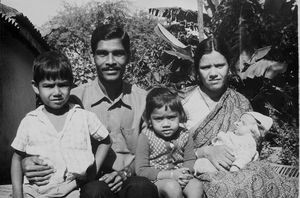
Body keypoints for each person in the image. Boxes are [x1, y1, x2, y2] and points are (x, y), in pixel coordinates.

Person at [21, 24, 159, 198]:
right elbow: (44, 136)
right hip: (90, 181)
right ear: (92, 56)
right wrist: (27, 161)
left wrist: (126, 172)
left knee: (142, 188)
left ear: (128, 57)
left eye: (118, 53)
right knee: (94, 191)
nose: (110, 61)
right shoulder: (72, 99)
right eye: (102, 53)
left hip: (130, 178)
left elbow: (153, 149)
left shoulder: (144, 100)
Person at [182, 36, 298, 197]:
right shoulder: (184, 103)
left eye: (220, 65)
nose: (213, 73)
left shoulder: (240, 103)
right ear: (197, 70)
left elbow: (251, 149)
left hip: (240, 171)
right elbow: (168, 151)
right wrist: (204, 152)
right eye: (206, 67)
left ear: (229, 67)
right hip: (197, 176)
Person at [10, 51, 111, 198]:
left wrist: (92, 172)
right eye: (49, 86)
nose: (57, 92)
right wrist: (17, 193)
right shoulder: (30, 121)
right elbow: (17, 158)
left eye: (62, 85)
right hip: (34, 191)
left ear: (71, 84)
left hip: (71, 191)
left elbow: (106, 140)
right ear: (36, 87)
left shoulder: (83, 117)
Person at [135, 87, 203, 198]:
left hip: (181, 175)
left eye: (171, 117)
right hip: (158, 179)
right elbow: (141, 170)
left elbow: (190, 159)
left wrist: (184, 175)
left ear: (180, 115)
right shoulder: (146, 136)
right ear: (149, 119)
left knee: (196, 186)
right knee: (172, 187)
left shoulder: (184, 134)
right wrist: (171, 175)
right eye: (159, 119)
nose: (166, 124)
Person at [194, 111, 273, 174]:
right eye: (239, 120)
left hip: (227, 167)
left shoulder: (249, 142)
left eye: (243, 123)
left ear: (253, 132)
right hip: (214, 159)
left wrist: (235, 167)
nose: (237, 123)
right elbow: (219, 141)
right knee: (200, 163)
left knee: (204, 166)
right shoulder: (232, 134)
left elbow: (245, 156)